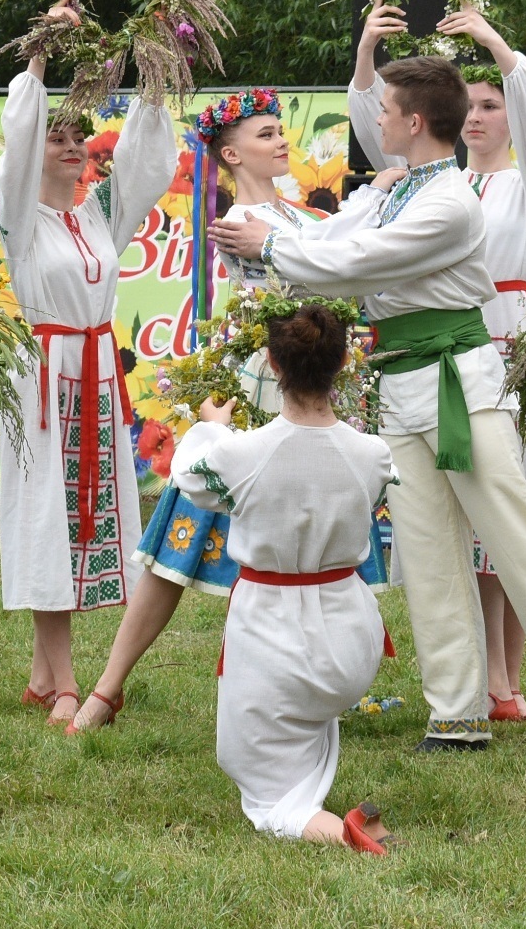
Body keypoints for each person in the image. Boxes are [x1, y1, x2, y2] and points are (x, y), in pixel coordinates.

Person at [212, 56, 526, 753]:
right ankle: (455, 712)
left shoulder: (449, 200)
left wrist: (275, 243)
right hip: (402, 379)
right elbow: (337, 239)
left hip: (461, 380)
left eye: (384, 110)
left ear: (413, 122)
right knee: (428, 551)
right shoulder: (397, 190)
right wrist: (265, 238)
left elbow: (360, 263)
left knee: (514, 538)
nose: (375, 119)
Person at [70, 88, 388, 734]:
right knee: (180, 537)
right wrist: (373, 204)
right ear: (231, 153)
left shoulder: (290, 215)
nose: (281, 141)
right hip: (261, 383)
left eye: (280, 131)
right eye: (267, 134)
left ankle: (324, 680)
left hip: (304, 381)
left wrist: (377, 194)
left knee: (317, 536)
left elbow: (333, 245)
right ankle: (106, 687)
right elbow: (324, 265)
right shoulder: (238, 222)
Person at [347, 7, 526, 724]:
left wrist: (500, 48)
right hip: (429, 352)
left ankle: (507, 677)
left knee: (506, 508)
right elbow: (374, 123)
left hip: (502, 346)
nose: (476, 117)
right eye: (467, 105)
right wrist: (368, 51)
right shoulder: (422, 183)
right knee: (441, 521)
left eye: (490, 105)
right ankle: (465, 677)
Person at [0, 22, 178, 725]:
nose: (73, 147)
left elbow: (142, 164)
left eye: (79, 138)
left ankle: (45, 675)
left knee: (81, 511)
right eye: (57, 136)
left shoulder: (98, 214)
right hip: (44, 373)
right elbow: (15, 148)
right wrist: (38, 51)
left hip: (96, 372)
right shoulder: (20, 217)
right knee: (48, 513)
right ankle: (66, 680)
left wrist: (154, 79)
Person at [169, 303, 397, 853]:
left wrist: (212, 427)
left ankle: (327, 827)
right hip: (351, 639)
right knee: (302, 709)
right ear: (343, 362)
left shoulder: (240, 454)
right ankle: (305, 745)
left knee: (253, 777)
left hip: (274, 635)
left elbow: (189, 476)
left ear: (271, 363)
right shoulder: (373, 454)